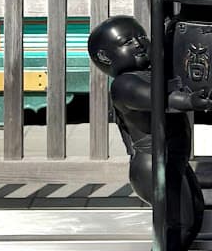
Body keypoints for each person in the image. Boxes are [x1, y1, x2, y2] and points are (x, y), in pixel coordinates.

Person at [86, 15, 204, 248]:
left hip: (172, 159)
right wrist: (193, 100)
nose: (139, 44)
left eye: (142, 37)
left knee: (192, 216)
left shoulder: (151, 73)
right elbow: (160, 100)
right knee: (178, 226)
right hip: (153, 165)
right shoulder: (125, 85)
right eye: (126, 41)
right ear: (104, 56)